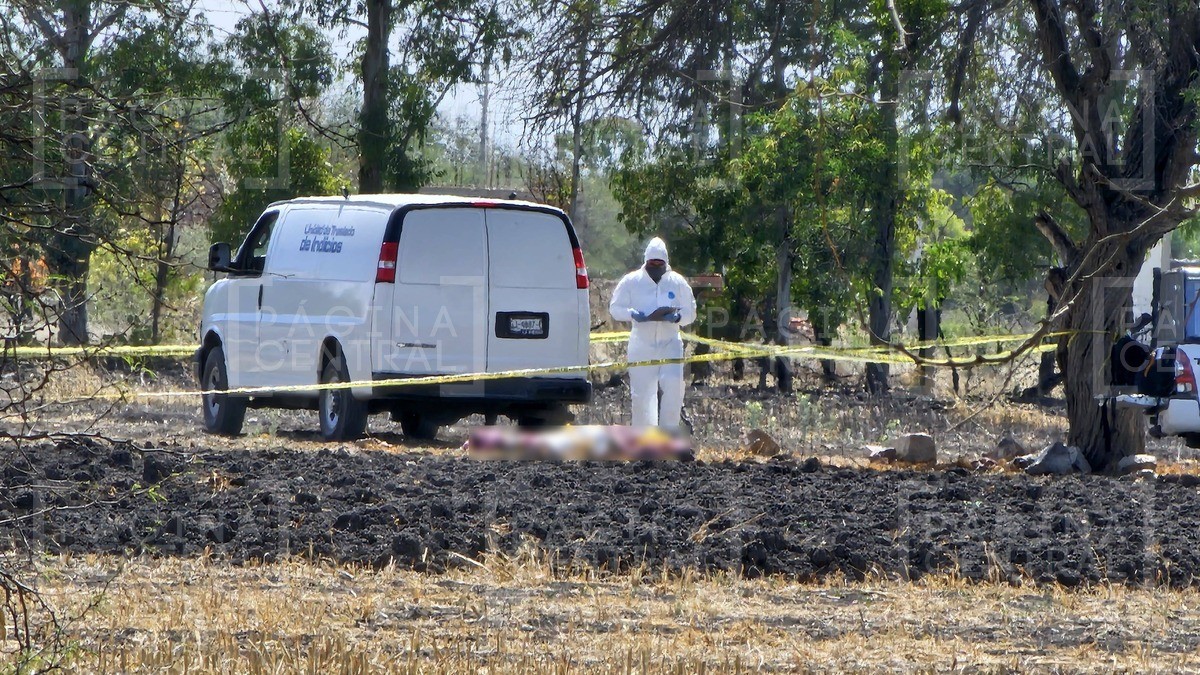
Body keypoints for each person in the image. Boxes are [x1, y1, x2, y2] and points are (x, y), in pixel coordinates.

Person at [609, 237, 697, 430]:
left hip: (670, 343)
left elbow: (691, 313)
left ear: (666, 262)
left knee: (673, 386)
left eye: (660, 263)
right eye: (652, 263)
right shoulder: (632, 281)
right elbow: (615, 308)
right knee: (642, 393)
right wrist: (632, 314)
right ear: (646, 261)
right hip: (642, 343)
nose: (656, 266)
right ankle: (645, 439)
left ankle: (669, 434)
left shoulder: (678, 282)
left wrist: (677, 317)